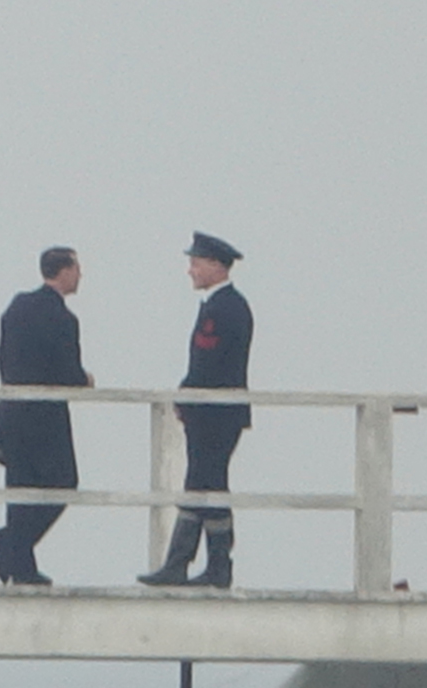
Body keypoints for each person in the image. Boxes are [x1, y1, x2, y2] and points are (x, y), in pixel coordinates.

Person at [139, 231, 254, 589]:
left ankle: (194, 564)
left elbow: (210, 365)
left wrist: (187, 395)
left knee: (204, 486)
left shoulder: (224, 308)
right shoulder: (221, 306)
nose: (190, 271)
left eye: (196, 263)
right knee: (206, 485)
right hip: (212, 414)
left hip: (215, 415)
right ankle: (205, 563)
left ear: (216, 266)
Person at [0, 246, 92, 584]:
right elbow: (67, 374)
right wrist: (85, 380)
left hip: (11, 414)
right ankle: (12, 544)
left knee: (21, 491)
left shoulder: (16, 307)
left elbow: (5, 360)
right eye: (76, 268)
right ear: (63, 271)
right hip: (44, 420)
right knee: (63, 484)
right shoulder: (64, 319)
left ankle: (19, 565)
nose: (80, 274)